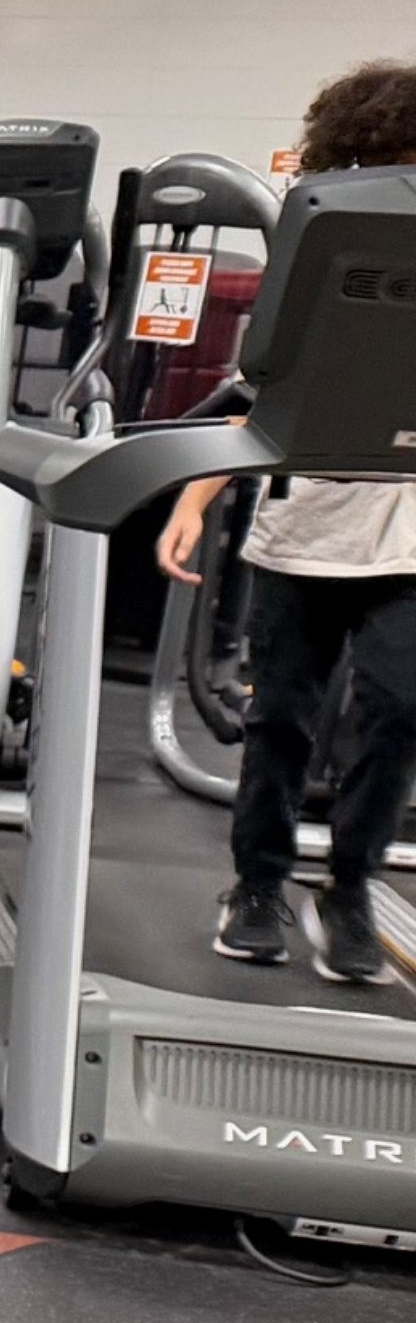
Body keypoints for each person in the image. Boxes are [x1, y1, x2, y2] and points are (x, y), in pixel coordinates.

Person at [163, 59, 416, 987]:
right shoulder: (324, 253)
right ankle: (259, 885)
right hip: (304, 527)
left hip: (407, 537)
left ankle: (349, 888)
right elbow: (254, 397)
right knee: (279, 719)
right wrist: (191, 503)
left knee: (399, 711)